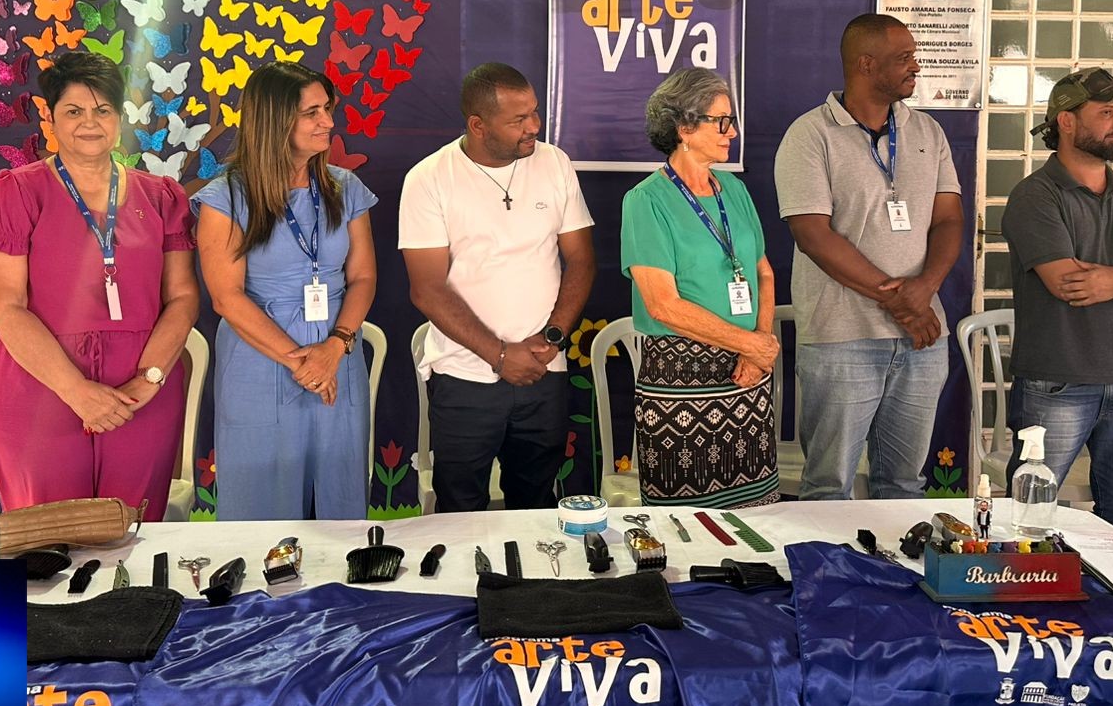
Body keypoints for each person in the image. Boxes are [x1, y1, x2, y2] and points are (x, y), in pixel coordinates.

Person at [0, 51, 199, 515]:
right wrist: (76, 391)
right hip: (42, 391)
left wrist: (149, 380)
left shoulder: (161, 197)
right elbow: (4, 307)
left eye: (103, 110)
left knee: (133, 531)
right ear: (51, 117)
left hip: (140, 395)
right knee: (50, 541)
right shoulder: (16, 192)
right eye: (74, 111)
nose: (89, 123)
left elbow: (182, 296)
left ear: (119, 117)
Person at [775, 14, 965, 499]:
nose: (916, 66)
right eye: (904, 58)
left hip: (921, 335)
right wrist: (899, 300)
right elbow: (812, 235)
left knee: (904, 486)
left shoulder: (928, 132)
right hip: (842, 338)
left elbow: (949, 220)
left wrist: (923, 292)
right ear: (865, 64)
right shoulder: (810, 134)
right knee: (828, 487)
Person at [399, 63, 596, 512]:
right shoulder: (429, 178)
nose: (534, 126)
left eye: (534, 112)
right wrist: (501, 356)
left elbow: (582, 259)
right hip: (464, 377)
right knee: (460, 510)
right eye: (518, 120)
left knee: (537, 508)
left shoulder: (554, 163)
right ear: (478, 125)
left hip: (544, 371)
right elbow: (427, 289)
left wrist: (552, 339)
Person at [1001, 66, 1113, 530]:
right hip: (1056, 384)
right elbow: (1069, 283)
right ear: (1066, 121)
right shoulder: (1035, 196)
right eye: (1106, 113)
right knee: (1029, 518)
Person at [195, 62, 378, 520]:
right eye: (312, 112)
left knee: (341, 500)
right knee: (260, 508)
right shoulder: (227, 197)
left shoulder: (346, 187)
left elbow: (363, 278)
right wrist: (303, 362)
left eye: (327, 109)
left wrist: (334, 348)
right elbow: (226, 297)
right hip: (259, 364)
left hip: (338, 356)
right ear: (275, 120)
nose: (328, 122)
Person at [621, 67, 781, 508]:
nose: (732, 132)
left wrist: (758, 345)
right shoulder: (646, 200)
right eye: (721, 121)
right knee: (686, 527)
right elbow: (663, 306)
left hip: (747, 376)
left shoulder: (735, 190)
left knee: (757, 519)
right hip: (681, 383)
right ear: (684, 127)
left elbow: (764, 273)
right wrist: (752, 345)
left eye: (732, 120)